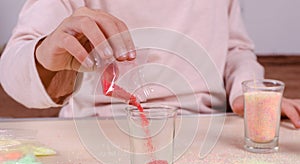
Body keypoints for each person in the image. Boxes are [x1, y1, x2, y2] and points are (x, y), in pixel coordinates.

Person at [0, 0, 299, 128]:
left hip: (208, 127)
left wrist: (251, 92)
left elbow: (234, 48)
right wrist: (43, 54)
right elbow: (13, 71)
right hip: (97, 126)